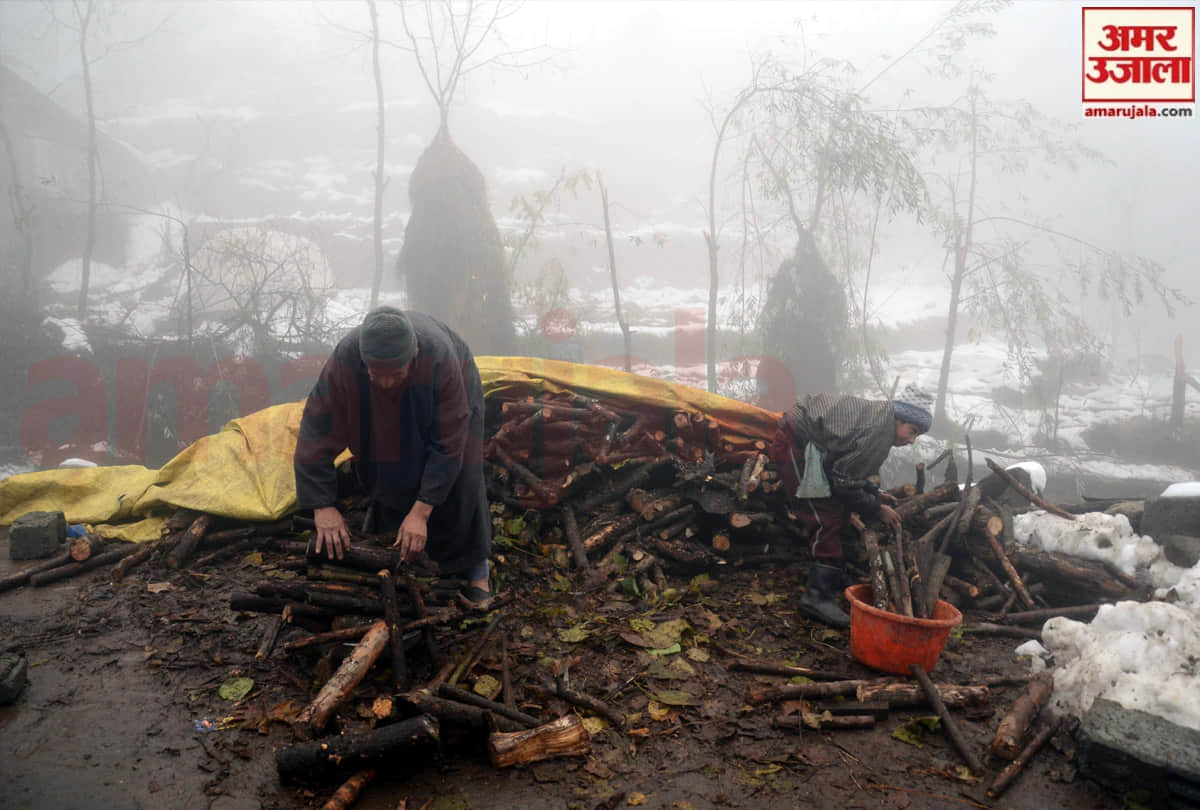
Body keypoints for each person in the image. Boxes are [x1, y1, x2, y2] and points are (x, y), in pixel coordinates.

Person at [293, 306, 492, 599]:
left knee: (464, 469)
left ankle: (477, 569)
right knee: (383, 454)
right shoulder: (346, 359)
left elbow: (448, 443)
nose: (386, 382)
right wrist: (322, 506)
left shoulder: (439, 357)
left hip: (454, 387)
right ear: (364, 362)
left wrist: (422, 512)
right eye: (376, 374)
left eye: (395, 374)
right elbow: (316, 427)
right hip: (379, 394)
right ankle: (403, 548)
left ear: (412, 356)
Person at [769, 384, 934, 628]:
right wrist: (878, 510)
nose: (911, 440)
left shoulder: (884, 421)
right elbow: (843, 485)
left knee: (839, 510)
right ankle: (816, 597)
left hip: (819, 444)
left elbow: (847, 468)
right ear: (899, 418)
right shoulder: (878, 433)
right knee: (824, 517)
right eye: (912, 431)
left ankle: (833, 575)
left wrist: (874, 492)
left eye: (917, 435)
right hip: (796, 437)